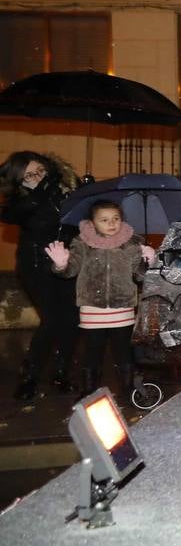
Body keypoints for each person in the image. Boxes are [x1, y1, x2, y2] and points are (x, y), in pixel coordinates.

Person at [46, 201, 155, 402]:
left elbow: (140, 277)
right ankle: (90, 391)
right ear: (93, 223)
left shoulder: (131, 243)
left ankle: (128, 389)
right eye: (104, 220)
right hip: (92, 306)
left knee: (123, 352)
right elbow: (70, 271)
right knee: (92, 351)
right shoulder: (82, 242)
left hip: (122, 306)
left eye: (116, 219)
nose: (111, 223)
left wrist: (148, 262)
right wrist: (61, 264)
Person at [1, 152, 79, 401]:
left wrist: (86, 192)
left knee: (71, 319)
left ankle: (60, 372)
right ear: (19, 180)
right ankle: (30, 375)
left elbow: (80, 222)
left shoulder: (66, 187)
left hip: (66, 262)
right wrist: (41, 191)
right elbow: (13, 215)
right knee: (52, 319)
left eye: (40, 171)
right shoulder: (19, 201)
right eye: (29, 175)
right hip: (35, 266)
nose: (37, 177)